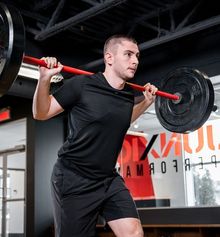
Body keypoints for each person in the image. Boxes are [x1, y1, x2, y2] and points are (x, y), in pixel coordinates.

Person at [32, 34, 158, 237]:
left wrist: (145, 102)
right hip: (74, 178)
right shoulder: (81, 85)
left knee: (134, 233)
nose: (135, 61)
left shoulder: (127, 95)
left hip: (107, 179)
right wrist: (44, 79)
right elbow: (41, 113)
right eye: (128, 54)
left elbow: (122, 119)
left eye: (137, 55)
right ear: (109, 58)